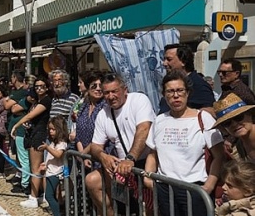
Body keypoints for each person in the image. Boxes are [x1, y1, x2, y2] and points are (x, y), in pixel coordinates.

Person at [144, 70, 224, 216]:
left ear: (187, 93)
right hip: (164, 188)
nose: (175, 95)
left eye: (180, 90)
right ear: (164, 95)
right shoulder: (160, 119)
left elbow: (219, 155)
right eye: (170, 91)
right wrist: (148, 178)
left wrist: (209, 186)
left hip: (194, 190)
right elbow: (153, 153)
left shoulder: (203, 118)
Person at [86, 72, 155, 216]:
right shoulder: (103, 113)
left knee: (151, 206)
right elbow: (95, 145)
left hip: (147, 161)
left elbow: (143, 129)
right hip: (123, 166)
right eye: (106, 93)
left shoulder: (138, 100)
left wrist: (130, 158)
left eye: (114, 91)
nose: (110, 96)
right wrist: (103, 157)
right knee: (92, 181)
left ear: (125, 90)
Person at [11, 78, 52, 209]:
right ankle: (39, 195)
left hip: (39, 136)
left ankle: (33, 197)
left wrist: (16, 126)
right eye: (37, 86)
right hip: (33, 134)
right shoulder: (37, 101)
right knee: (38, 168)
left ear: (47, 87)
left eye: (42, 86)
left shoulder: (46, 101)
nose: (39, 88)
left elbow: (30, 116)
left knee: (36, 169)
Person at [159, 43, 215, 113]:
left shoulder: (199, 85)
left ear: (183, 61)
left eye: (169, 59)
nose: (164, 63)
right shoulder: (168, 82)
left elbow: (209, 113)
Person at [75, 70, 109, 169]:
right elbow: (78, 133)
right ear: (88, 87)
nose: (98, 89)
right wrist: (81, 155)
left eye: (100, 86)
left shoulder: (106, 107)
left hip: (100, 157)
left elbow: (102, 136)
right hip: (82, 157)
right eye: (94, 86)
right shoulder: (84, 106)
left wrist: (83, 154)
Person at [5, 71, 30, 194]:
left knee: (23, 158)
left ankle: (25, 184)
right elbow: (11, 107)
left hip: (21, 130)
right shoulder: (18, 94)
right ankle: (20, 177)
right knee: (18, 157)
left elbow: (11, 107)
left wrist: (10, 101)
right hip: (15, 129)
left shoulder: (24, 94)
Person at [38, 116, 68, 216]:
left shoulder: (62, 143)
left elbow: (58, 154)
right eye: (49, 129)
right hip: (50, 171)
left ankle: (57, 213)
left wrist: (47, 148)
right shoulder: (53, 143)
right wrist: (45, 164)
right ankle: (57, 211)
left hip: (55, 173)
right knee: (51, 195)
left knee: (49, 196)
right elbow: (51, 157)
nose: (50, 131)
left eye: (53, 129)